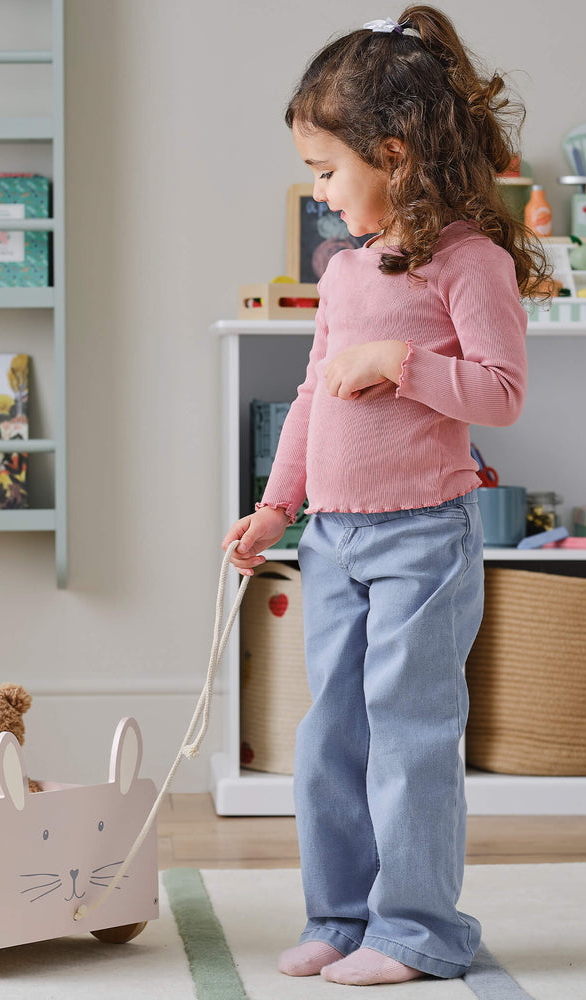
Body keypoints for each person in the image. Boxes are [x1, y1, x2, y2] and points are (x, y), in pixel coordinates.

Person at [222, 6, 549, 987]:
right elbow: (311, 402)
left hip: (422, 541)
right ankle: (342, 913)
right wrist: (277, 507)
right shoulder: (341, 272)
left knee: (407, 737)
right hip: (332, 540)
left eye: (327, 172)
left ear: (394, 156)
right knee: (330, 734)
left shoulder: (471, 263)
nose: (318, 194)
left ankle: (416, 930)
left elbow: (500, 390)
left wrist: (402, 363)